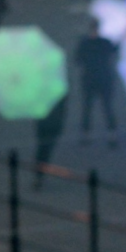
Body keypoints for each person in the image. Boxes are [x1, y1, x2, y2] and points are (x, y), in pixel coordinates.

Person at [75, 18, 118, 146]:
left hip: (89, 79)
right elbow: (114, 51)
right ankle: (112, 136)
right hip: (105, 79)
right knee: (107, 107)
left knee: (88, 108)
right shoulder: (105, 42)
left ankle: (86, 135)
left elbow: (77, 60)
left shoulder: (84, 43)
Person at [32, 94, 68, 190]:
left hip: (44, 123)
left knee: (42, 150)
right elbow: (63, 110)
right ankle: (39, 175)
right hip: (53, 124)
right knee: (46, 150)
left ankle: (39, 175)